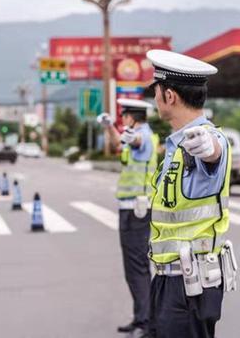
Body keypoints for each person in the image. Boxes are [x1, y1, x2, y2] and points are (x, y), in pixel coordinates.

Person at [145, 49, 237, 338]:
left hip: (189, 285)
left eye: (156, 92)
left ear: (169, 96)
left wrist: (210, 148)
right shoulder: (174, 146)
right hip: (167, 279)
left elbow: (213, 152)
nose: (155, 99)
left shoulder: (206, 139)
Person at [97, 98, 159, 338]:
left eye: (124, 116)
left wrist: (128, 135)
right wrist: (109, 126)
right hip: (129, 207)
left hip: (138, 208)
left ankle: (148, 322)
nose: (123, 119)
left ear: (133, 117)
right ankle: (141, 317)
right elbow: (116, 147)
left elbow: (136, 141)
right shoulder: (132, 134)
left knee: (138, 267)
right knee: (133, 269)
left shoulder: (143, 135)